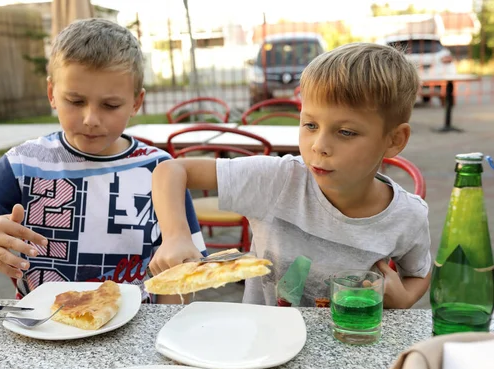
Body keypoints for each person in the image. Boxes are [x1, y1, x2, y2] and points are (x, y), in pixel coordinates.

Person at [0, 18, 206, 304]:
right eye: (75, 101)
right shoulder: (25, 165)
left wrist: (162, 328)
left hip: (135, 332)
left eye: (110, 105)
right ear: (52, 94)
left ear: (136, 102)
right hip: (44, 332)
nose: (91, 119)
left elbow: (184, 271)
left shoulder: (162, 172)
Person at [149, 42, 431, 308]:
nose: (319, 145)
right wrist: (175, 235)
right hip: (263, 340)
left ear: (394, 139)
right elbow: (171, 170)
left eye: (346, 132)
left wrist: (404, 297)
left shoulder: (407, 216)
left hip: (346, 342)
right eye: (310, 124)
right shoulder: (276, 181)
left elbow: (419, 271)